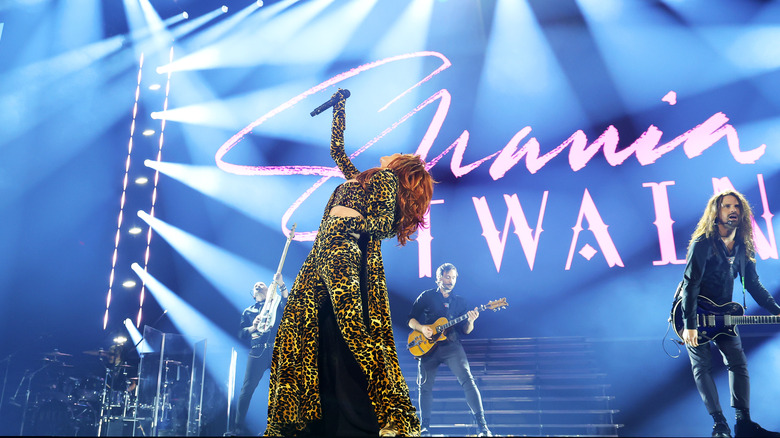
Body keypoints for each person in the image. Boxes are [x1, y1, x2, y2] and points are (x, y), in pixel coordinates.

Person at [265, 89, 434, 437]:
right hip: (320, 254)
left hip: (342, 250)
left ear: (401, 168)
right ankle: (286, 420)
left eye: (398, 156)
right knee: (296, 327)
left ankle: (393, 417)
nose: (392, 155)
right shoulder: (361, 178)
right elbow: (336, 151)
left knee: (354, 330)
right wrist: (339, 109)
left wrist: (346, 223)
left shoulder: (386, 180)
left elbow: (384, 224)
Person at [680, 190, 780, 438]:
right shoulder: (702, 243)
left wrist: (776, 311)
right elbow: (690, 284)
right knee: (701, 367)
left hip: (725, 316)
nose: (733, 210)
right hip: (696, 313)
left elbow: (753, 284)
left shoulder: (743, 246)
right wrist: (689, 324)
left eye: (737, 206)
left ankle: (743, 422)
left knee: (738, 363)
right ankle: (719, 424)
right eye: (727, 206)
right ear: (716, 212)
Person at [407, 263, 492, 437]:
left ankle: (483, 428)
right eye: (447, 277)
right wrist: (422, 328)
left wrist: (471, 321)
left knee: (468, 380)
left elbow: (465, 331)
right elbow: (411, 319)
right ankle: (425, 429)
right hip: (428, 347)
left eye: (453, 277)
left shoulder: (461, 302)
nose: (451, 281)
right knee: (424, 387)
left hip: (452, 345)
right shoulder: (427, 296)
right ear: (439, 278)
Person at [234, 274, 288, 435]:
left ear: (268, 289)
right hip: (257, 351)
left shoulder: (276, 303)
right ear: (253, 293)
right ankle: (237, 428)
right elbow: (241, 333)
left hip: (276, 350)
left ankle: (280, 426)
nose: (258, 285)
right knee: (247, 388)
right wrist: (253, 327)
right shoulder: (248, 311)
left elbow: (288, 303)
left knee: (282, 388)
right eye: (256, 285)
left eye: (262, 284)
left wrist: (281, 284)